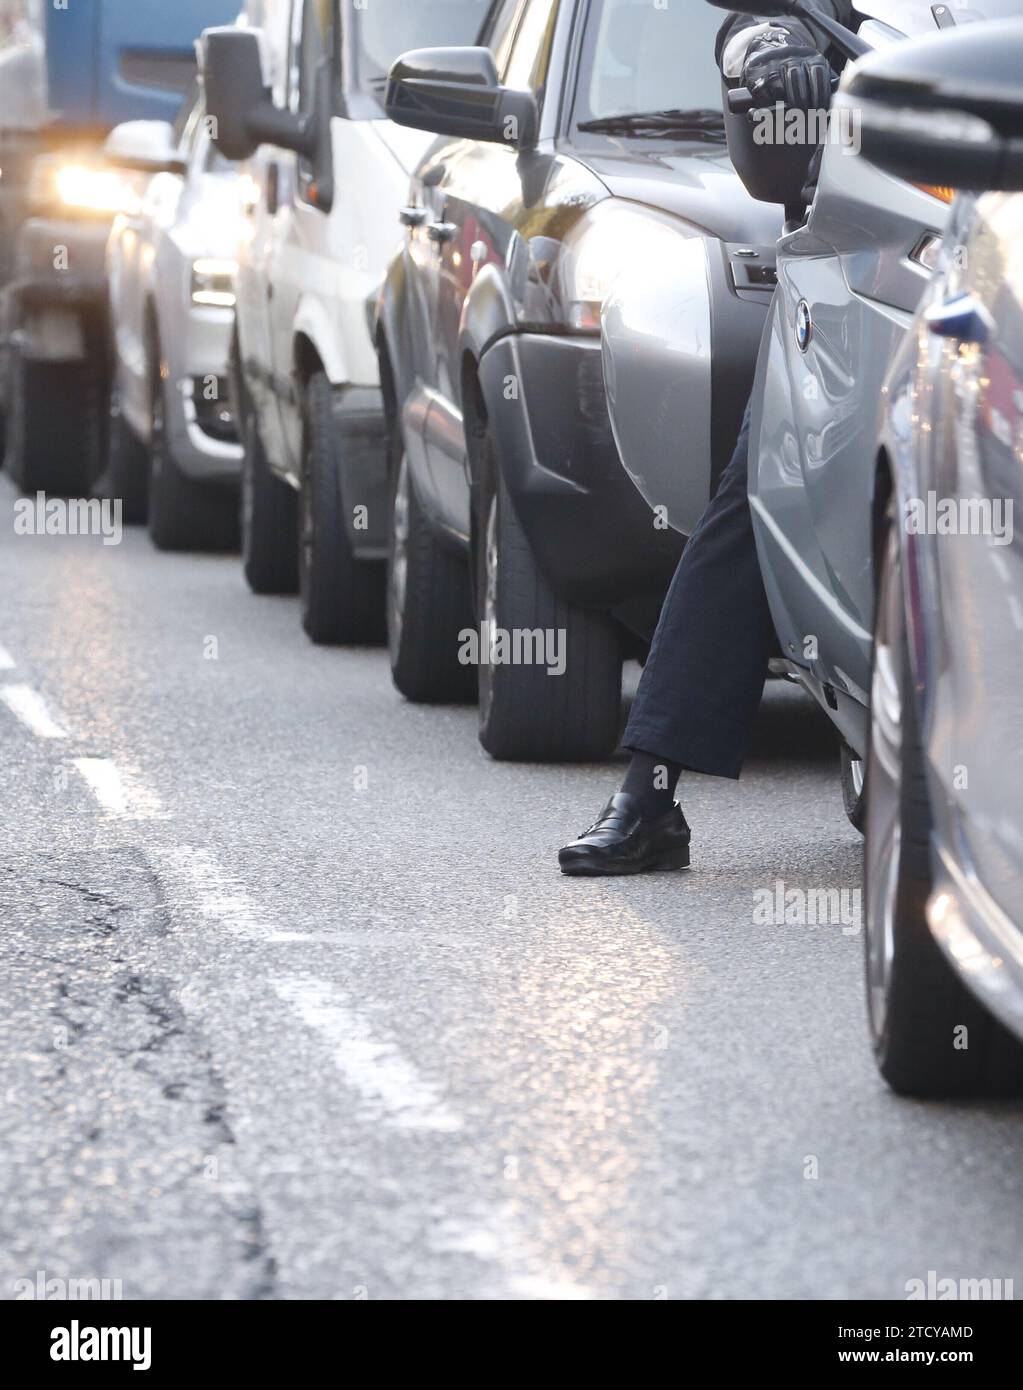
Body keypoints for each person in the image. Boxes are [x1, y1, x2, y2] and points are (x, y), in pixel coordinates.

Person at [558, 1, 858, 877]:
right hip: (858, 264)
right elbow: (754, 25)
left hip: (995, 268)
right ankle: (650, 795)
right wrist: (770, 49)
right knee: (757, 492)